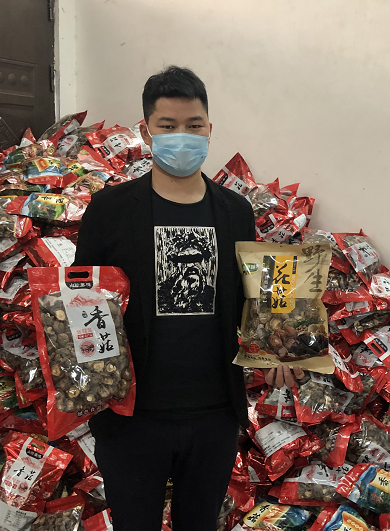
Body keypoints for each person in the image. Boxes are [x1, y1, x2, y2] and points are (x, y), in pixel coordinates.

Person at [73, 66, 302, 531]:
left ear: (209, 129)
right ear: (146, 132)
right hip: (131, 416)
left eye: (194, 125)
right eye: (168, 125)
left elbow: (254, 297)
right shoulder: (110, 210)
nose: (183, 136)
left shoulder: (234, 211)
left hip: (214, 414)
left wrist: (282, 348)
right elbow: (81, 301)